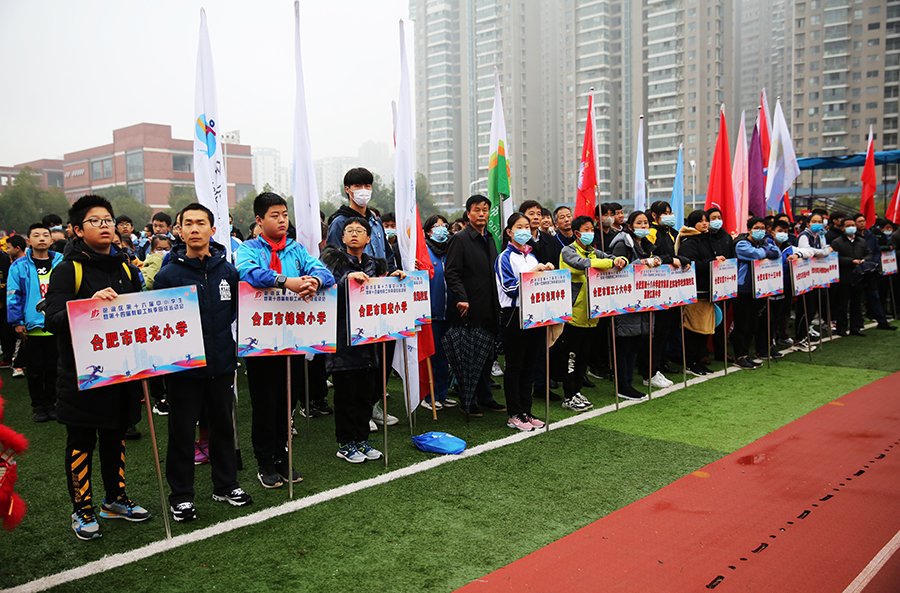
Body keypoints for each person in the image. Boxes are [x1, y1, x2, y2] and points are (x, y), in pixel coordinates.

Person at [44, 194, 149, 540]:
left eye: (108, 219)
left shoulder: (126, 268)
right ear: (76, 229)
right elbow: (54, 319)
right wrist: (89, 304)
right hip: (82, 376)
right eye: (96, 221)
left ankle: (114, 499)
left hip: (121, 373)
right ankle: (82, 508)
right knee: (81, 441)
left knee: (116, 434)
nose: (105, 226)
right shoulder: (67, 270)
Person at [153, 203, 251, 522]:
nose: (195, 229)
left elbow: (233, 311)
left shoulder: (227, 270)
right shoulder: (169, 275)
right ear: (178, 231)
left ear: (212, 228)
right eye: (188, 224)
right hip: (184, 369)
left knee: (223, 428)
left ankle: (226, 485)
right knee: (182, 432)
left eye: (201, 223)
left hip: (221, 364)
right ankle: (181, 496)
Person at [235, 192, 335, 487]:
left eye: (284, 215)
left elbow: (323, 271)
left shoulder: (296, 250)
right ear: (259, 220)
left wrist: (314, 281)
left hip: (291, 338)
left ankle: (282, 458)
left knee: (285, 402)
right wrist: (285, 281)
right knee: (264, 403)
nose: (281, 220)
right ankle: (264, 462)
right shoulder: (248, 249)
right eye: (274, 216)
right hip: (261, 341)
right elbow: (249, 273)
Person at [320, 217, 405, 462]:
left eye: (360, 231)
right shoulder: (332, 262)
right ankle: (345, 443)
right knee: (347, 393)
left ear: (369, 238)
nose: (355, 234)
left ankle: (362, 440)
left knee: (366, 393)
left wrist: (396, 279)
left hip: (371, 340)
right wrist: (346, 282)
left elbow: (384, 290)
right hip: (344, 339)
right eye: (350, 231)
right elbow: (326, 292)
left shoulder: (375, 264)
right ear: (342, 237)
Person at [444, 195, 506, 417]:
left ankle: (486, 397)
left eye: (485, 210)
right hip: (468, 306)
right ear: (468, 213)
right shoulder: (460, 239)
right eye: (477, 210)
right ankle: (467, 402)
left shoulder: (489, 239)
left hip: (490, 306)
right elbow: (451, 272)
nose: (482, 213)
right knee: (469, 356)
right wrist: (461, 297)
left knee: (487, 355)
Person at [559, 215, 625, 411]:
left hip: (592, 314)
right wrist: (607, 263)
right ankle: (568, 395)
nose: (590, 233)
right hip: (573, 314)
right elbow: (582, 264)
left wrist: (620, 260)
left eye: (592, 229)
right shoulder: (568, 251)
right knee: (570, 356)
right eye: (586, 230)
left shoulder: (594, 252)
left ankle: (577, 391)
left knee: (583, 357)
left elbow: (614, 259)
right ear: (577, 233)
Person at [495, 213, 553, 430]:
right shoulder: (504, 258)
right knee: (515, 366)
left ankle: (526, 412)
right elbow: (510, 289)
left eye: (527, 227)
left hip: (535, 314)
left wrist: (545, 273)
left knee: (530, 364)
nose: (525, 231)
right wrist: (533, 273)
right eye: (519, 227)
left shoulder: (532, 256)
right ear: (509, 232)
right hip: (513, 315)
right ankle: (514, 414)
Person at [6, 222, 63, 422]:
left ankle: (52, 404)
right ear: (29, 241)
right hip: (32, 326)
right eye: (36, 235)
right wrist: (17, 321)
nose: (41, 238)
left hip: (57, 324)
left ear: (51, 239)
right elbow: (13, 294)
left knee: (54, 369)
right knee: (35, 369)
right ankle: (38, 406)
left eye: (45, 235)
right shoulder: (19, 265)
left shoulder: (61, 261)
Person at [608, 212, 656, 401]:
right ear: (630, 225)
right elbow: (619, 269)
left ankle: (628, 382)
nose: (643, 226)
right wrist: (643, 263)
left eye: (646, 223)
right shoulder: (622, 243)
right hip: (624, 300)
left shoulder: (645, 244)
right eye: (639, 223)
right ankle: (623, 385)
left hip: (641, 299)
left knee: (635, 343)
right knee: (624, 345)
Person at [643, 200, 688, 386]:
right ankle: (650, 371)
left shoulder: (671, 233)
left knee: (666, 330)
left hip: (670, 288)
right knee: (656, 332)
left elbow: (678, 254)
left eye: (670, 212)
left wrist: (679, 259)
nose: (669, 216)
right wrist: (671, 259)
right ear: (654, 216)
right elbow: (651, 257)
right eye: (665, 213)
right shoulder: (651, 233)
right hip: (653, 289)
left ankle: (660, 364)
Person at [731, 216, 781, 368]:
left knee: (753, 324)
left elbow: (777, 253)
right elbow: (756, 255)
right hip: (743, 288)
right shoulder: (741, 244)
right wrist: (765, 250)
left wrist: (764, 249)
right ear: (749, 229)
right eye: (757, 228)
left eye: (762, 228)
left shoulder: (763, 242)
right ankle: (739, 355)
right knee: (742, 324)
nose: (760, 231)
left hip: (758, 289)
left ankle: (746, 354)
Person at [325, 168, 396, 272]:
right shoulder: (339, 223)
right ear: (347, 189)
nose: (363, 190)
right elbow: (333, 262)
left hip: (379, 284)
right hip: (355, 284)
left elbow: (388, 257)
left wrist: (392, 272)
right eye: (357, 186)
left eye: (367, 186)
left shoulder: (376, 222)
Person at [675, 210, 719, 376]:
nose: (705, 223)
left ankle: (700, 360)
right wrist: (712, 262)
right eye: (701, 221)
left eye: (706, 220)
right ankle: (691, 362)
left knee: (704, 330)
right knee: (693, 330)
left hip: (708, 291)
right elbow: (689, 265)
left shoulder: (706, 238)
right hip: (695, 291)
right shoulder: (689, 241)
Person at [421, 214, 458, 411]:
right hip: (430, 315)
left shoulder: (451, 251)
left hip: (449, 314)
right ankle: (429, 396)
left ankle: (442, 394)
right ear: (428, 231)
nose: (441, 229)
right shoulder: (424, 252)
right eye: (436, 226)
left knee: (444, 357)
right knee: (431, 357)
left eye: (444, 226)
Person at [792, 212, 831, 350]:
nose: (817, 224)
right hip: (804, 276)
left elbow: (825, 249)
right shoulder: (804, 235)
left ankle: (805, 334)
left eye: (820, 221)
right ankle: (799, 337)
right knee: (805, 308)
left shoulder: (819, 235)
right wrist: (821, 251)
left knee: (812, 308)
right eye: (814, 221)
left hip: (814, 276)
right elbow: (809, 251)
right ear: (808, 223)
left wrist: (822, 250)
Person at [830, 215, 872, 337]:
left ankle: (855, 327)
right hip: (844, 277)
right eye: (848, 226)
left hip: (858, 277)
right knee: (842, 304)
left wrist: (864, 260)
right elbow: (836, 258)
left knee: (856, 304)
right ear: (843, 228)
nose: (851, 228)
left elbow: (869, 253)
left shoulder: (861, 241)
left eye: (853, 225)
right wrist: (851, 261)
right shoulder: (837, 242)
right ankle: (841, 328)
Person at [855, 213, 897, 331]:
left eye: (863, 221)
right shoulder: (854, 237)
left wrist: (873, 262)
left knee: (875, 296)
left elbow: (877, 250)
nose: (862, 223)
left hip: (872, 270)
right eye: (859, 221)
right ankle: (858, 323)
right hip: (858, 270)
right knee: (857, 298)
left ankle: (882, 321)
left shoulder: (870, 235)